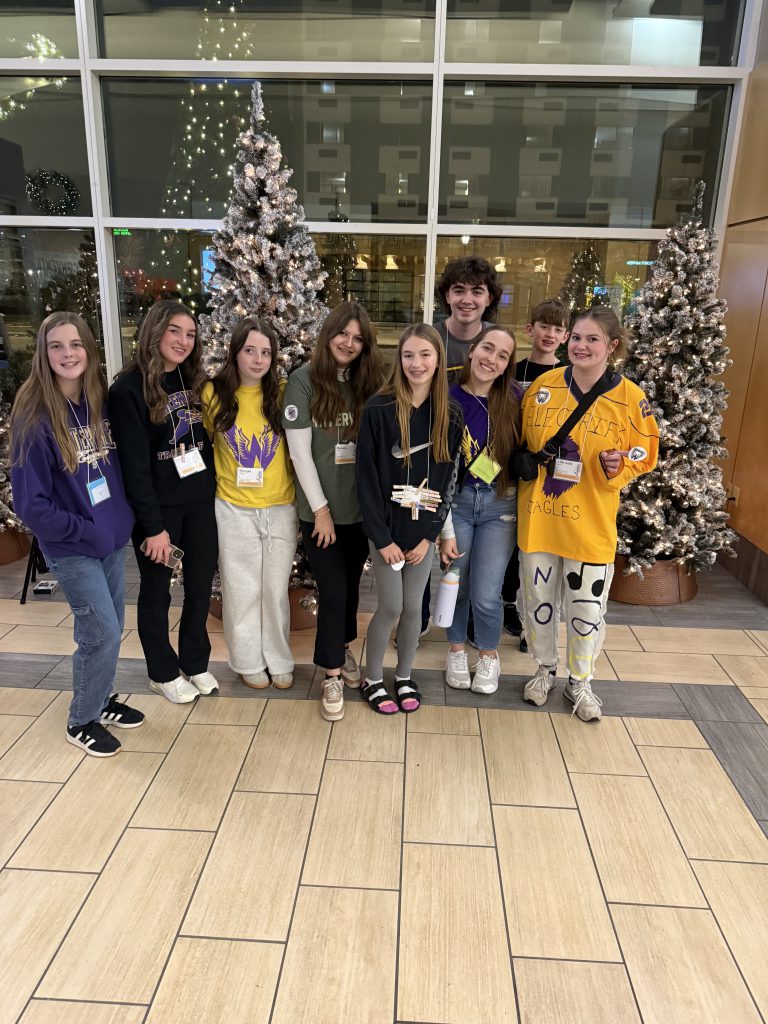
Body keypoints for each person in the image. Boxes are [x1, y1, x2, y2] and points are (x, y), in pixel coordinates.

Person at [517, 305, 659, 722]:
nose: (581, 346)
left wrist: (622, 467)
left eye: (592, 339)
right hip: (540, 519)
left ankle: (581, 681)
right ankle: (544, 669)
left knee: (586, 611)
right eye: (576, 337)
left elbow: (645, 452)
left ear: (611, 346)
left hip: (592, 524)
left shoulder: (631, 398)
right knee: (537, 603)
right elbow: (522, 439)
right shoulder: (543, 387)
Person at [10, 312, 142, 756]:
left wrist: (119, 519)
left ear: (89, 349)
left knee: (114, 625)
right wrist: (80, 529)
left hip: (108, 536)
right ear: (43, 355)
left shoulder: (97, 402)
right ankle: (81, 720)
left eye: (75, 345)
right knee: (99, 630)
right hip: (72, 546)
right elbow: (31, 505)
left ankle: (101, 700)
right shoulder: (34, 416)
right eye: (56, 346)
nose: (68, 354)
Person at [109, 300, 218, 705]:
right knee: (157, 592)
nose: (183, 341)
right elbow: (134, 469)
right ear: (155, 331)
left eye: (190, 334)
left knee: (200, 587)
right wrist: (152, 527)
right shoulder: (127, 390)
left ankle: (195, 661)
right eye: (175, 331)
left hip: (201, 503)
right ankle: (161, 670)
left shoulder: (193, 383)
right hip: (160, 513)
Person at [283, 301, 382, 722]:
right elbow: (300, 455)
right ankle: (332, 675)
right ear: (329, 334)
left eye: (359, 338)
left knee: (351, 592)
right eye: (344, 334)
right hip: (320, 513)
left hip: (359, 512)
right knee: (334, 590)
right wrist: (321, 511)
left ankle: (340, 648)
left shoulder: (367, 383)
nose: (349, 343)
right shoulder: (303, 381)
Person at [356, 324, 463, 715]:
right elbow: (366, 481)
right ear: (398, 360)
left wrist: (429, 538)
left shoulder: (448, 415)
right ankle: (371, 676)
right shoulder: (378, 409)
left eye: (425, 355)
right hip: (385, 533)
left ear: (438, 360)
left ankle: (403, 675)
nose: (416, 364)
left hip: (421, 536)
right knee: (391, 606)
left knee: (415, 609)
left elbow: (451, 481)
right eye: (408, 356)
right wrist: (382, 539)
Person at [202, 317, 296, 690]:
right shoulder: (214, 394)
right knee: (241, 590)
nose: (258, 360)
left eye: (266, 352)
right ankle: (246, 659)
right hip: (233, 507)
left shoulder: (284, 393)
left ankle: (278, 657)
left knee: (274, 591)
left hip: (280, 507)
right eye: (249, 350)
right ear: (235, 352)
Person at [441, 326, 520, 695]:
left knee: (487, 592)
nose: (492, 359)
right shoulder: (447, 397)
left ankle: (488, 655)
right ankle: (456, 649)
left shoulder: (516, 401)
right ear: (472, 351)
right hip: (457, 503)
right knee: (456, 583)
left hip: (498, 506)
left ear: (507, 366)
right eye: (487, 349)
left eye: (502, 356)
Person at [505, 297, 571, 647]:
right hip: (514, 468)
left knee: (541, 551)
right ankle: (505, 603)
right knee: (510, 544)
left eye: (558, 329)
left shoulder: (569, 377)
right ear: (530, 330)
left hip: (554, 477)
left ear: (565, 337)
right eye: (544, 326)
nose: (550, 333)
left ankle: (534, 618)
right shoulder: (512, 371)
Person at [434, 256, 502, 385]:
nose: (467, 300)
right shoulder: (429, 339)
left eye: (477, 292)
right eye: (459, 291)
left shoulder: (498, 339)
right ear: (448, 296)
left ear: (489, 299)